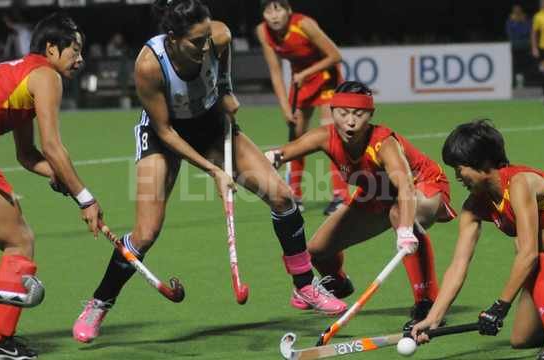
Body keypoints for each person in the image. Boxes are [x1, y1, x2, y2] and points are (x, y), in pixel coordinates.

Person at [72, 0, 347, 344]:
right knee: (146, 232)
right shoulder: (149, 66)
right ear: (172, 38)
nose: (205, 47)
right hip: (164, 136)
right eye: (196, 42)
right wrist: (213, 170)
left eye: (206, 38)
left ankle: (304, 285)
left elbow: (222, 52)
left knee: (282, 196)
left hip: (213, 127)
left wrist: (228, 90)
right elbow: (167, 131)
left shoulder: (219, 37)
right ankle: (99, 303)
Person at [0, 12, 102, 360]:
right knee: (20, 241)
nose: (81, 59)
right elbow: (53, 146)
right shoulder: (46, 77)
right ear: (51, 49)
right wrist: (85, 197)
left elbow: (27, 155)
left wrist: (59, 175)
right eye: (74, 50)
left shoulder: (23, 72)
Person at [265, 81, 457, 330]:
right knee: (316, 250)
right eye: (343, 113)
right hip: (375, 195)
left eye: (359, 114)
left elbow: (405, 185)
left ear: (370, 115)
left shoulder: (383, 143)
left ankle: (427, 304)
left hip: (423, 186)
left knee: (400, 214)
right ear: (332, 112)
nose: (351, 122)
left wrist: (406, 229)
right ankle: (338, 282)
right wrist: (269, 159)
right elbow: (284, 152)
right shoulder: (325, 136)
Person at [411, 120, 544, 360]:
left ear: (483, 163)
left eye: (459, 167)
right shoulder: (474, 206)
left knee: (524, 244)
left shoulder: (521, 183)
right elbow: (458, 265)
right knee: (522, 338)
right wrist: (434, 318)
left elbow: (529, 252)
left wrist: (500, 306)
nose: (457, 176)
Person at [256, 0, 349, 215]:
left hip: (326, 78)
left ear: (289, 10)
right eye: (268, 11)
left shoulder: (304, 24)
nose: (274, 16)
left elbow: (335, 55)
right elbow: (276, 72)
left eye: (278, 9)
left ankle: (340, 196)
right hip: (301, 83)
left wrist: (306, 73)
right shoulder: (263, 32)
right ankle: (294, 196)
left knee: (331, 136)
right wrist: (285, 108)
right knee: (296, 139)